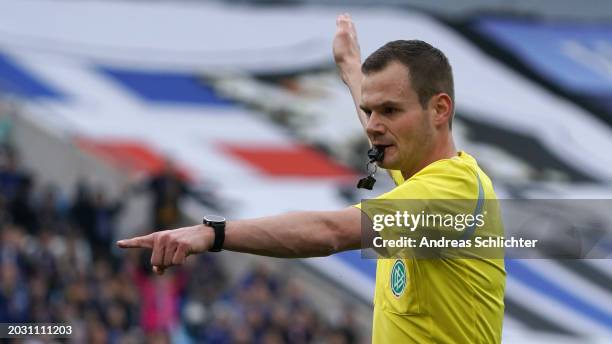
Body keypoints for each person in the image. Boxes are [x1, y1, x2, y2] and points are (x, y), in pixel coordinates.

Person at [118, 14, 505, 343]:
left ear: (439, 110)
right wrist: (351, 68)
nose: (373, 126)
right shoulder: (418, 174)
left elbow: (329, 232)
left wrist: (213, 233)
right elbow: (381, 130)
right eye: (370, 110)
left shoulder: (449, 191)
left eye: (389, 109)